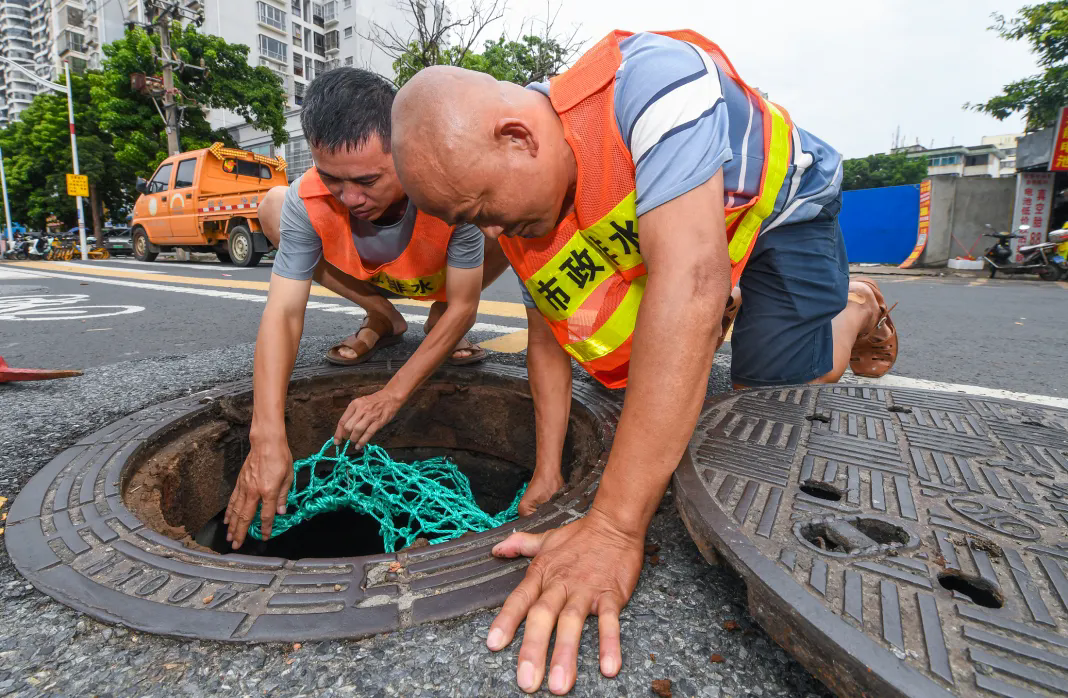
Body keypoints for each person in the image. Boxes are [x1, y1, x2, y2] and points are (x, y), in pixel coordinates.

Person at [390, 30, 898, 695]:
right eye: (470, 220)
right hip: (683, 245)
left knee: (769, 402)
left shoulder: (653, 83)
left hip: (782, 214)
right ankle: (738, 307)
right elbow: (547, 335)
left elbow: (687, 285)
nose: (488, 232)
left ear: (518, 137)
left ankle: (854, 307)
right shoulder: (522, 210)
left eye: (483, 208)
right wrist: (546, 473)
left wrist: (612, 525)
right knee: (651, 360)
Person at [223, 68, 509, 549]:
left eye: (367, 181)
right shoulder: (311, 199)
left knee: (495, 229)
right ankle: (383, 317)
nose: (350, 198)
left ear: (403, 150)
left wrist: (391, 394)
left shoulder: (444, 186)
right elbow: (285, 312)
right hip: (368, 278)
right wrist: (265, 435)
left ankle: (433, 323)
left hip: (441, 279)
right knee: (277, 203)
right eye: (333, 179)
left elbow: (467, 306)